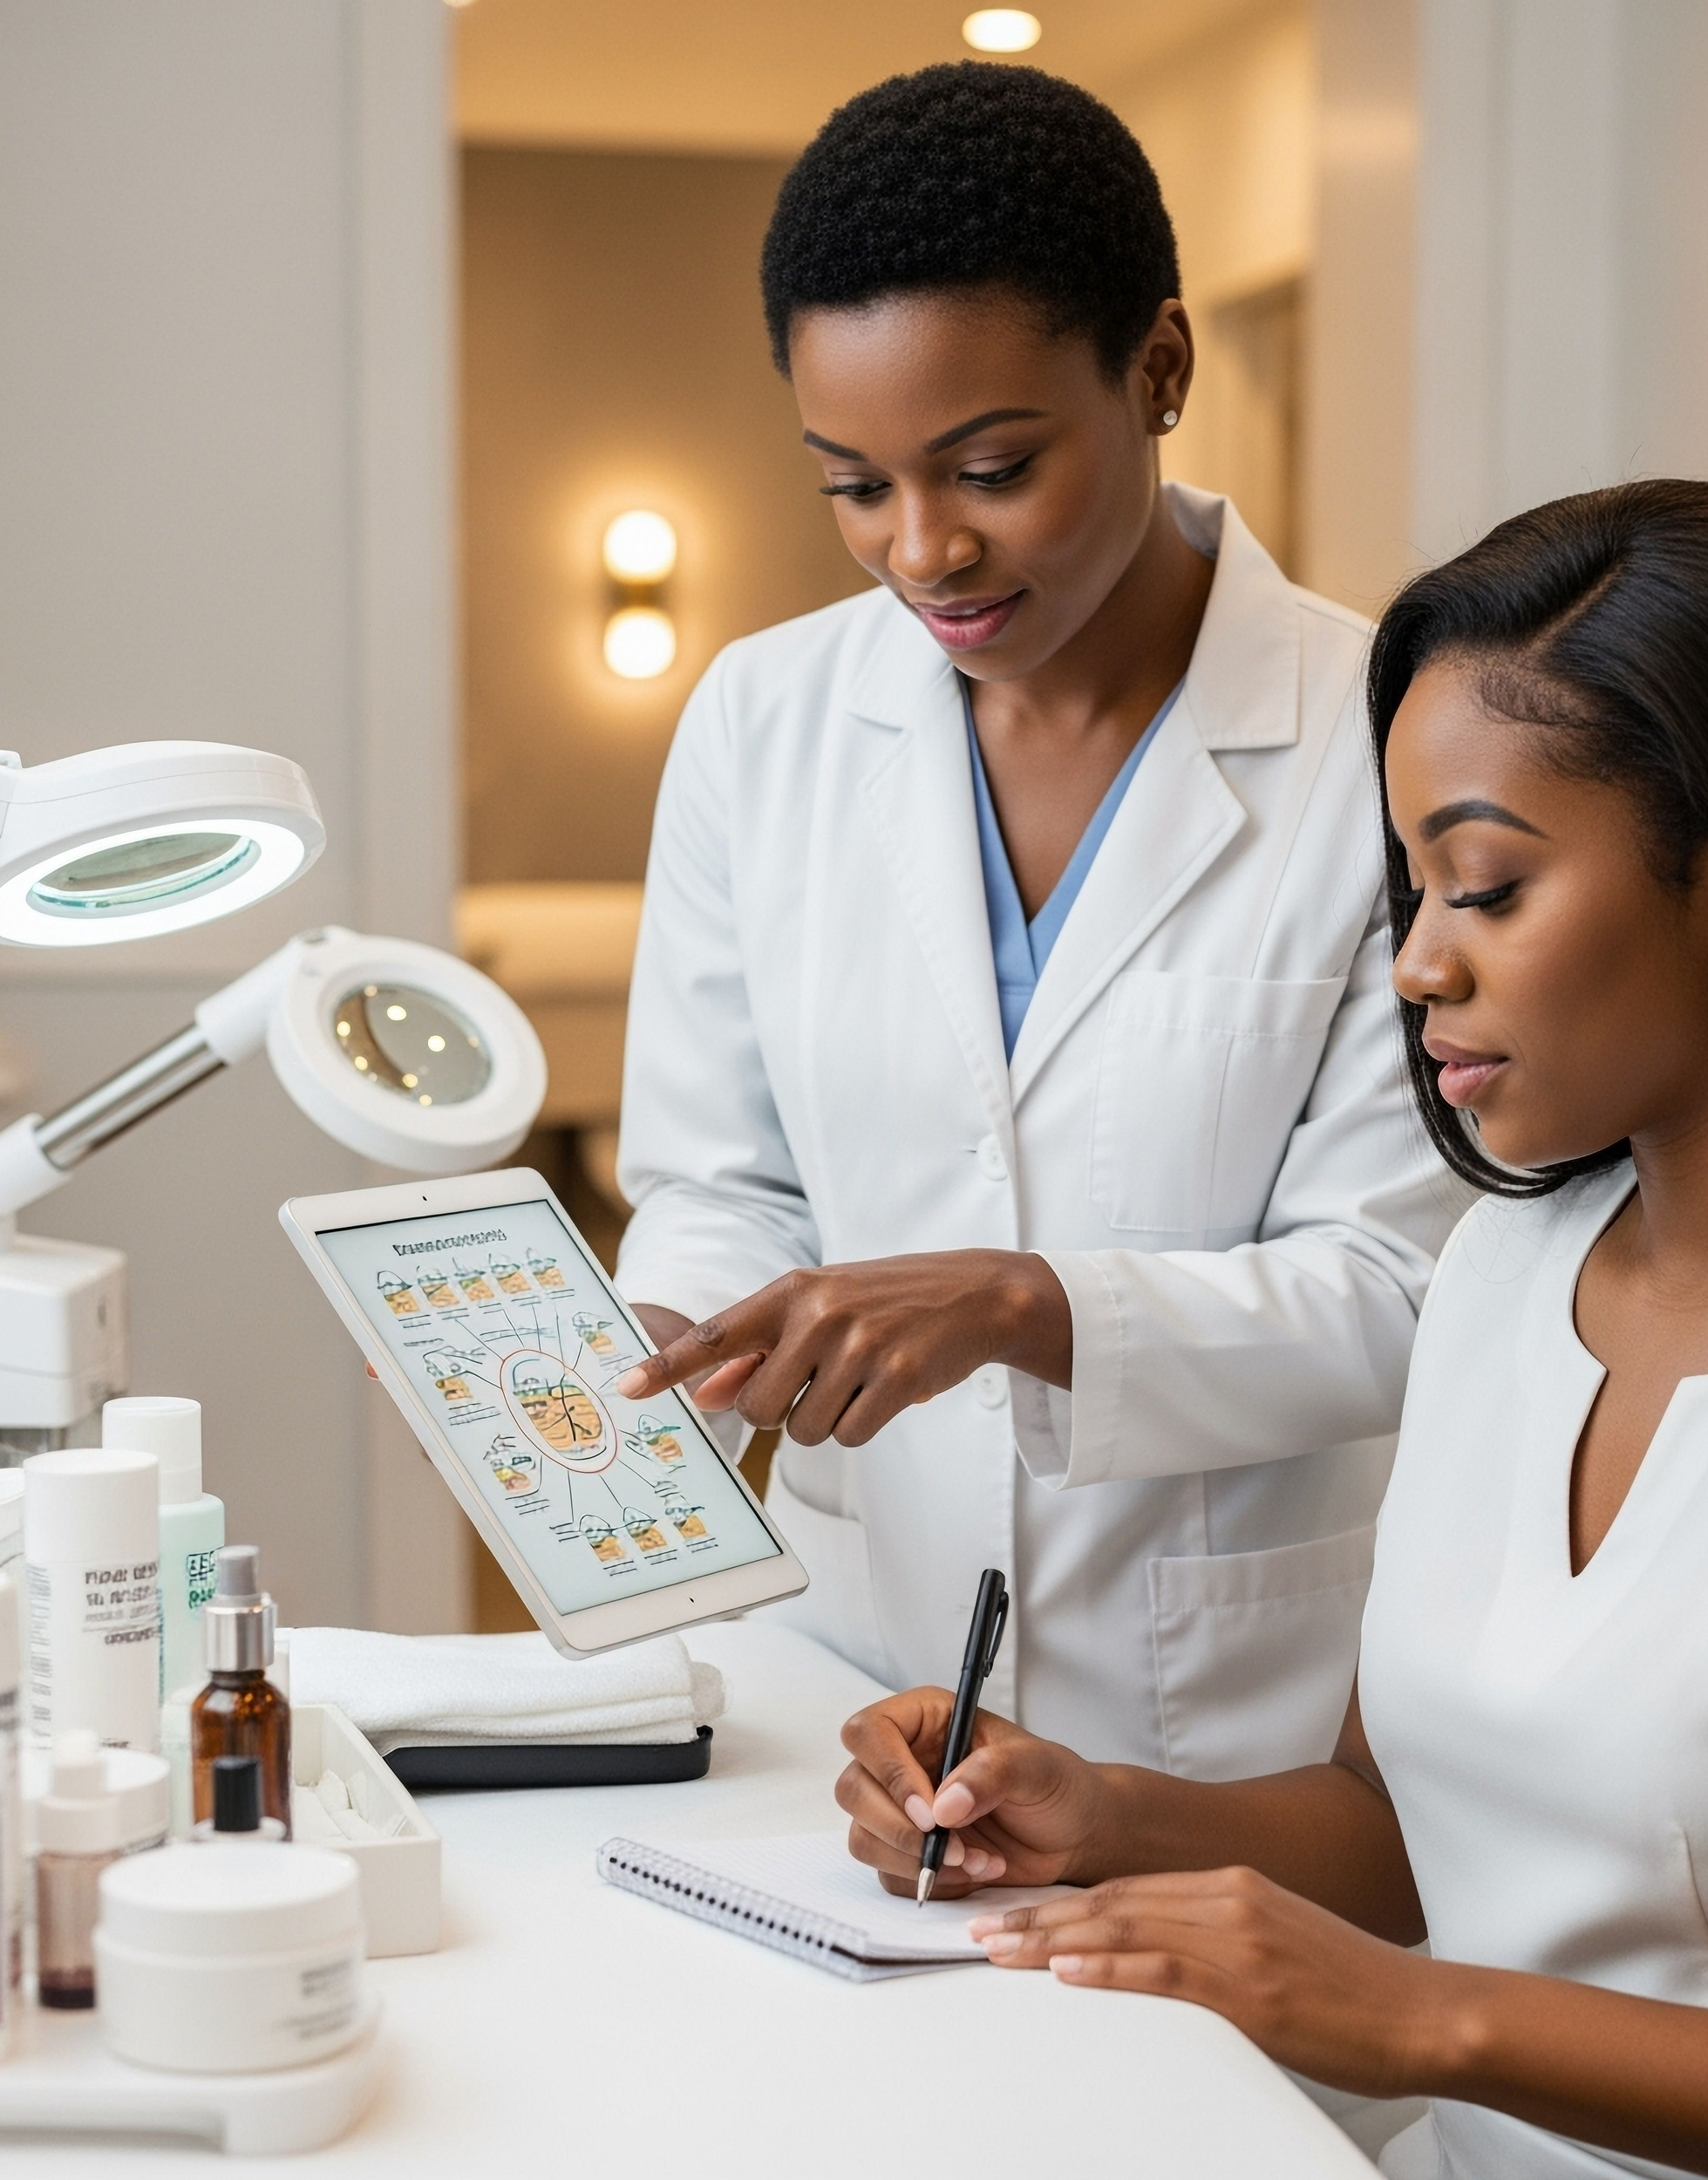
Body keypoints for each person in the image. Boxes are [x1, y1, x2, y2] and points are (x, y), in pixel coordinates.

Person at [834, 481, 1708, 2177]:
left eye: (1481, 887)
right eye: (1404, 893)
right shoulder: (1503, 1274)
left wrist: (1428, 2020)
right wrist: (1095, 1815)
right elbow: (1394, 1821)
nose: (1415, 965)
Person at [613, 62, 1464, 1781]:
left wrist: (1026, 1304)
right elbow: (717, 1176)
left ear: (1157, 370)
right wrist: (664, 1349)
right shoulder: (759, 721)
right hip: (848, 1663)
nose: (921, 548)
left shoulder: (1394, 730)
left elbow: (1407, 1281)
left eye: (989, 465)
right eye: (851, 483)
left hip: (1233, 1714)